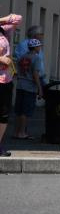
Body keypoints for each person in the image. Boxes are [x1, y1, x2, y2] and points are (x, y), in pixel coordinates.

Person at [0, 14, 23, 156]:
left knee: (3, 114)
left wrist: (2, 20)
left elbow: (18, 18)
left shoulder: (3, 30)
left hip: (6, 79)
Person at [13, 38, 45, 139]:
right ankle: (22, 133)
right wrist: (40, 88)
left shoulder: (23, 57)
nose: (40, 48)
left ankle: (16, 132)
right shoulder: (36, 58)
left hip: (20, 85)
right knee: (26, 112)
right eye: (39, 46)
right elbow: (35, 74)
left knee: (19, 111)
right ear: (35, 47)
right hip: (30, 87)